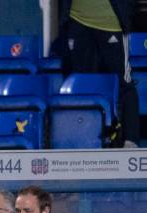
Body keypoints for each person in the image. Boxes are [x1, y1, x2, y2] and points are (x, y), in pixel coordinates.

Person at [60, 0, 140, 147]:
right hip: (77, 21)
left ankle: (130, 140)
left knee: (124, 82)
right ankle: (85, 139)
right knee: (82, 85)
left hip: (111, 23)